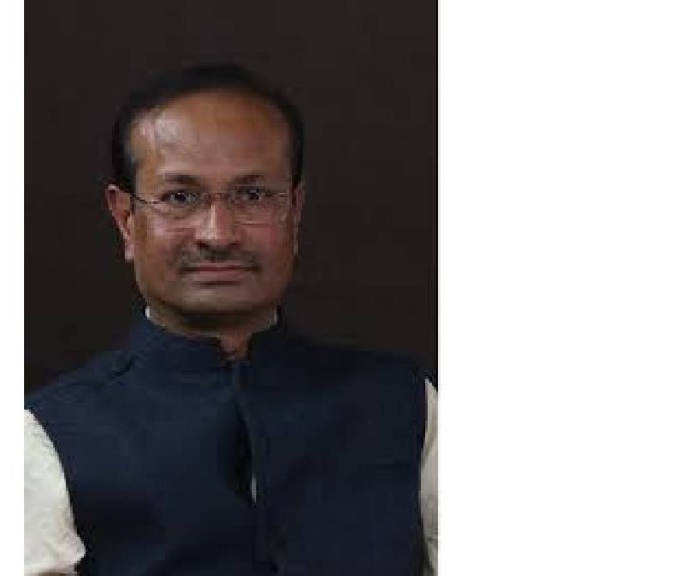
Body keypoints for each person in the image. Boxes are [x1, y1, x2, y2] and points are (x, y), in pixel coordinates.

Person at [25, 63, 437, 575]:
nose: (218, 234)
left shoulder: (406, 405)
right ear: (126, 219)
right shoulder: (45, 435)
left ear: (295, 211)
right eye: (180, 198)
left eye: (253, 195)